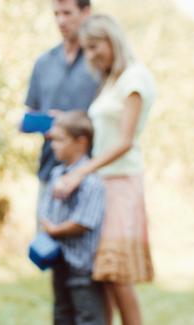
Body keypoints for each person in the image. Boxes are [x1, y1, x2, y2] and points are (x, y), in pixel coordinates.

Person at [53, 14, 157, 325]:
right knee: (103, 274)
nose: (91, 55)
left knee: (117, 273)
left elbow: (124, 141)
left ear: (113, 41)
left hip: (121, 182)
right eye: (86, 49)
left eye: (95, 46)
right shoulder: (111, 79)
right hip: (103, 183)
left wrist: (79, 173)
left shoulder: (135, 78)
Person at [24, 0, 99, 223]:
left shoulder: (98, 60)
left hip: (90, 175)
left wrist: (68, 122)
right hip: (49, 168)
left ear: (86, 13)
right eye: (57, 14)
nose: (61, 21)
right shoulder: (43, 63)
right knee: (43, 247)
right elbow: (31, 110)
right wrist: (38, 123)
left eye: (67, 13)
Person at [39, 110, 106, 325]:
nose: (53, 145)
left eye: (59, 140)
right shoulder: (56, 174)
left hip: (82, 265)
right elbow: (45, 210)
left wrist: (54, 230)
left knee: (87, 316)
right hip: (59, 259)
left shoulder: (91, 181)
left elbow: (85, 221)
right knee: (61, 313)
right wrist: (45, 224)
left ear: (81, 142)